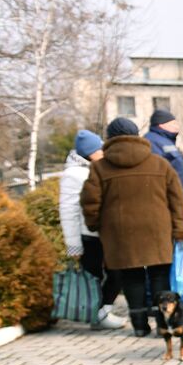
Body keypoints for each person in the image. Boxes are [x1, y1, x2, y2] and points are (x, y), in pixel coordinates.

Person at [81, 117, 183, 338]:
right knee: (160, 276)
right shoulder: (160, 164)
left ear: (109, 138)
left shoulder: (99, 168)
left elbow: (90, 202)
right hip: (157, 231)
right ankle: (163, 324)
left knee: (132, 278)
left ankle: (140, 325)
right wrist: (181, 230)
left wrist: (95, 225)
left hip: (120, 235)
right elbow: (177, 200)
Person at [58, 129, 126, 329]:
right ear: (89, 152)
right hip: (88, 235)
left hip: (105, 233)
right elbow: (68, 210)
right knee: (94, 278)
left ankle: (102, 311)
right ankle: (98, 315)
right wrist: (73, 245)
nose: (103, 152)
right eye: (99, 149)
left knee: (117, 272)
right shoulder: (73, 174)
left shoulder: (97, 168)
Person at [145, 109, 183, 223]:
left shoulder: (166, 142)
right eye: (173, 123)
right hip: (168, 209)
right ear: (161, 124)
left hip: (177, 207)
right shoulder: (152, 142)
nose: (177, 125)